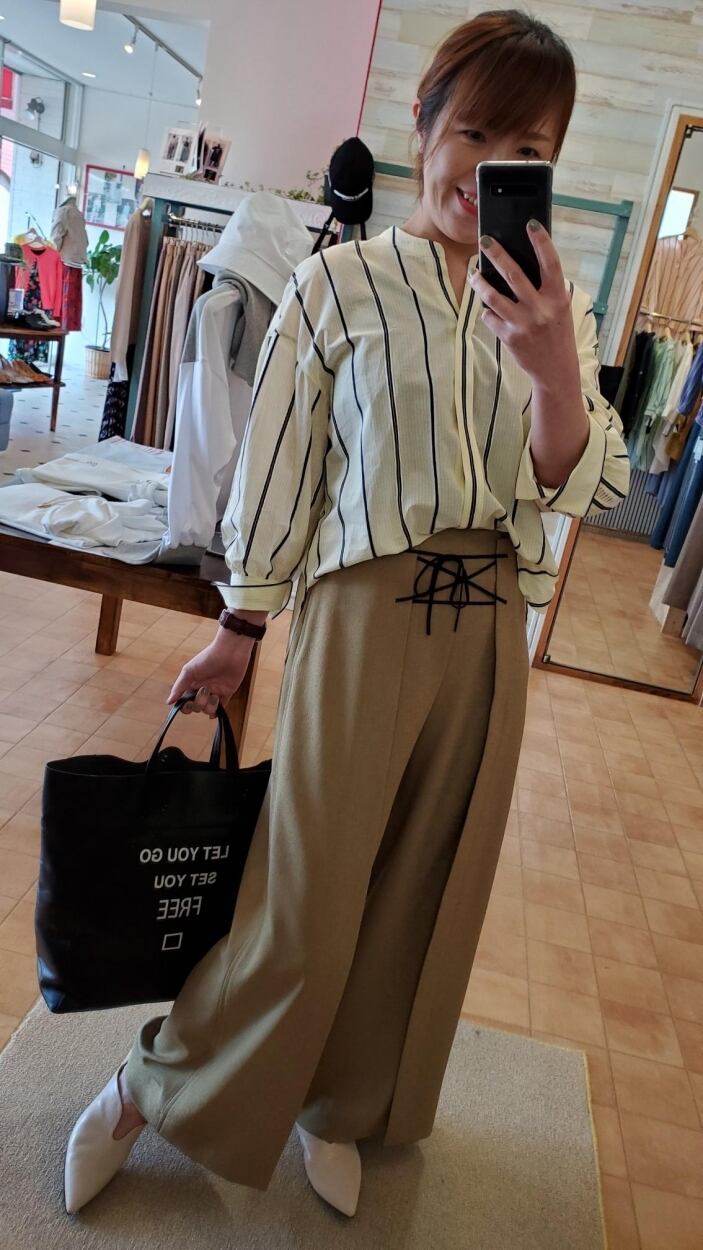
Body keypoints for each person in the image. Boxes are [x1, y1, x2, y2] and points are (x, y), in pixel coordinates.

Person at [63, 8, 630, 1222]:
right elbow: (281, 473)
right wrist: (240, 628)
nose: (488, 167)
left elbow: (573, 483)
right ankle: (146, 1085)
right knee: (303, 905)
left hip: (490, 631)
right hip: (361, 617)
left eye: (526, 147)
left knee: (423, 898)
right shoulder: (337, 283)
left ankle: (342, 1101)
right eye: (472, 132)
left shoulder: (557, 307)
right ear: (421, 126)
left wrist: (552, 373)